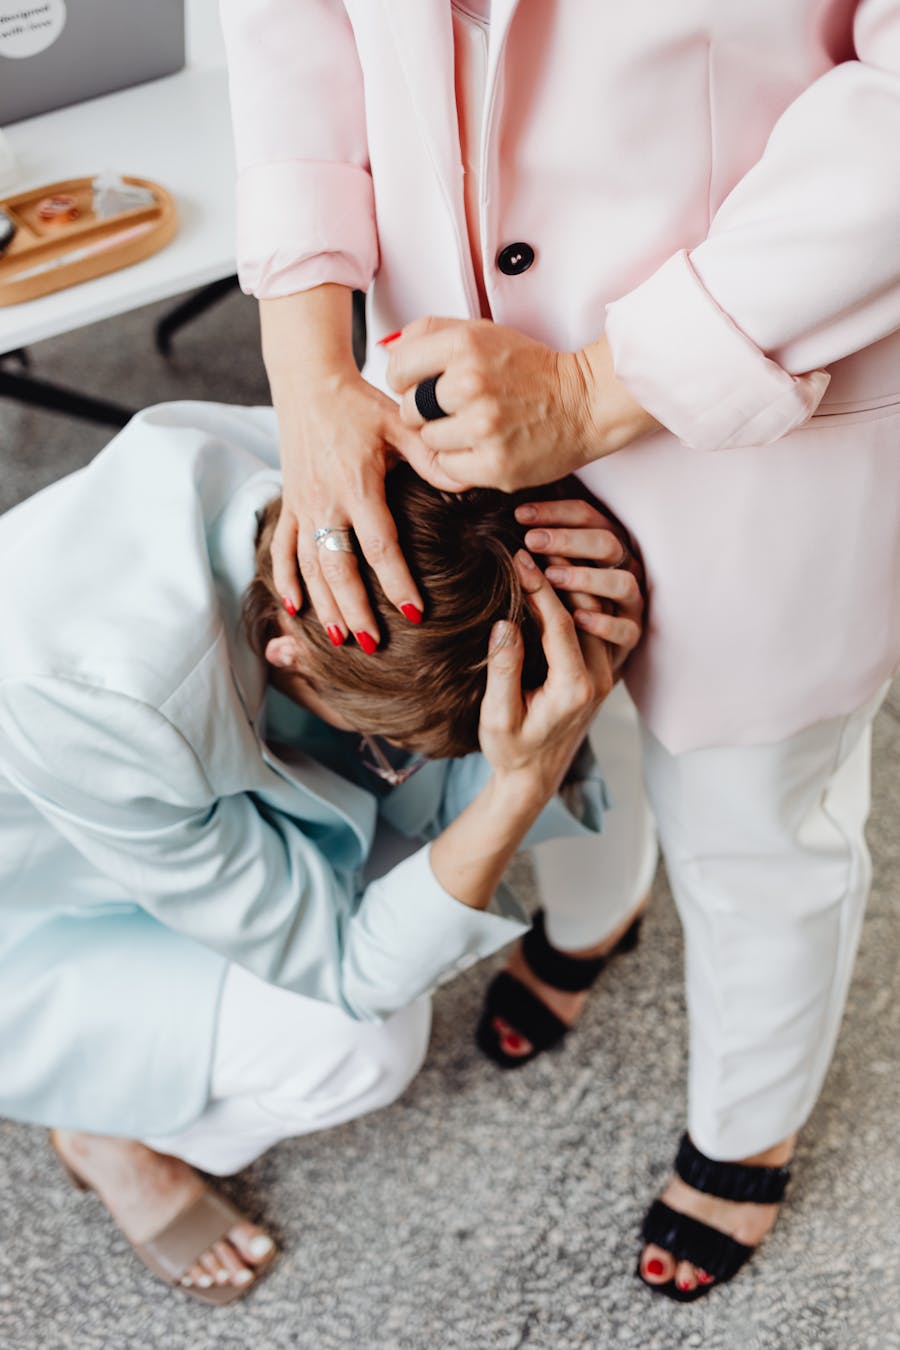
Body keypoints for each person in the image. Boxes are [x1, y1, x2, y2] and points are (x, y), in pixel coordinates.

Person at [219, 0, 900, 1301]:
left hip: (765, 379)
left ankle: (746, 1121)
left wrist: (597, 388)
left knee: (760, 806)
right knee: (544, 718)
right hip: (444, 380)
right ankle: (597, 910)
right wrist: (308, 367)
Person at [0, 400, 641, 1304]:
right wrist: (519, 787)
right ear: (289, 650)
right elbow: (342, 968)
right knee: (362, 1044)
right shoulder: (104, 706)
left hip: (204, 813)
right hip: (41, 912)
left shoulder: (380, 469)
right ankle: (110, 1132)